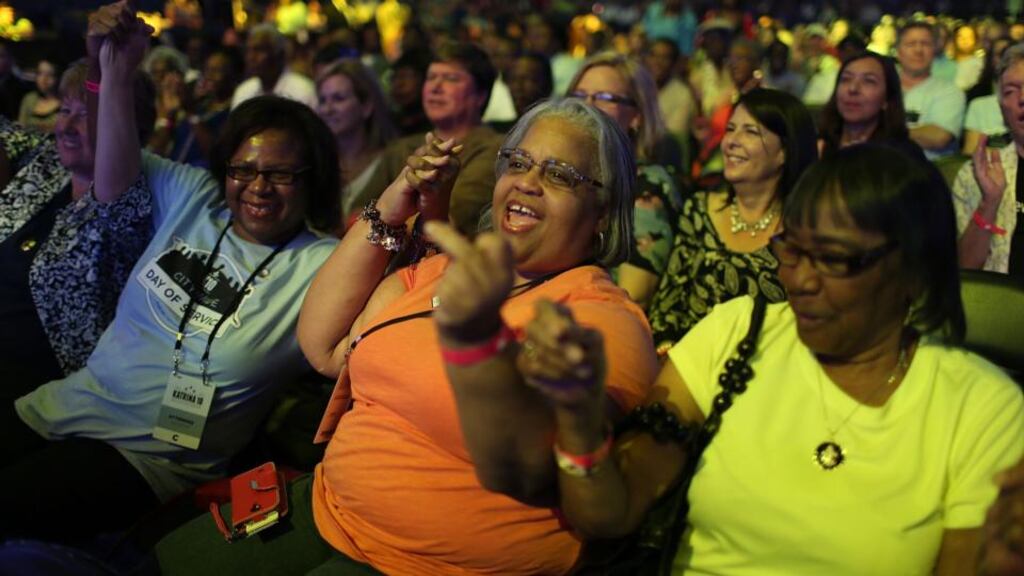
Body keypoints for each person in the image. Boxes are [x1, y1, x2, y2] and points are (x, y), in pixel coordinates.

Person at [154, 97, 658, 575]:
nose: (527, 182)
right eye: (519, 163)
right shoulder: (445, 270)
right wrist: (398, 199)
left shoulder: (602, 321)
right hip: (323, 506)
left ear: (602, 216)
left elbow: (531, 470)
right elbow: (324, 345)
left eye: (560, 175)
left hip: (424, 562)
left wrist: (479, 344)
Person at [513, 143, 1024, 574]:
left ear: (913, 271)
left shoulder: (980, 408)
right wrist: (579, 423)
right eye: (792, 250)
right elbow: (611, 513)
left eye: (833, 259)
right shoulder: (739, 333)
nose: (799, 279)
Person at [1, 8, 339, 541]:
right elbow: (107, 150)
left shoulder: (320, 262)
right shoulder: (194, 198)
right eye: (243, 169)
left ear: (312, 180)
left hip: (147, 460)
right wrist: (108, 66)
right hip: (65, 404)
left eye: (280, 174)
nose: (258, 187)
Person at [0, 53, 155, 392]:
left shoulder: (127, 204)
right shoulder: (49, 166)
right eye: (65, 110)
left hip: (40, 388)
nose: (66, 126)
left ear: (128, 126)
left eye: (86, 115)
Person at [647, 88, 818, 353]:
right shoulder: (700, 209)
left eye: (750, 132)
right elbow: (668, 305)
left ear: (784, 152)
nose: (731, 142)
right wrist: (669, 352)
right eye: (730, 129)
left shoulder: (805, 229)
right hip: (685, 364)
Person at [566, 52, 683, 307]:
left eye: (604, 98)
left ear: (637, 115)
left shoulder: (647, 185)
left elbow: (633, 296)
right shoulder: (565, 174)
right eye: (578, 95)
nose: (586, 105)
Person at [358, 42, 504, 236]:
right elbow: (357, 213)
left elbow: (445, 219)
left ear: (480, 95)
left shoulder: (495, 149)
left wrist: (380, 219)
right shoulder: (402, 147)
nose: (435, 87)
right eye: (431, 77)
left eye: (451, 79)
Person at [953, 43, 1024, 277]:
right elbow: (965, 272)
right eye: (1010, 91)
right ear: (1001, 108)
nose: (1022, 98)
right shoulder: (975, 175)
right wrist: (990, 202)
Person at [315, 58, 398, 227]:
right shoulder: (316, 162)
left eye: (338, 99)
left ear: (366, 106)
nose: (327, 109)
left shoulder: (392, 160)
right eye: (323, 100)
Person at [818, 51, 917, 157]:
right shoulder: (816, 147)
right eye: (846, 79)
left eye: (868, 81)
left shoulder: (903, 154)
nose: (853, 89)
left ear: (887, 99)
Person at [897, 21, 966, 160]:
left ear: (934, 50)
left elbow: (939, 137)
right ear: (898, 51)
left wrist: (883, 130)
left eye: (925, 44)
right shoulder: (881, 85)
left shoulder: (950, 91)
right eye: (911, 44)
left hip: (928, 173)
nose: (918, 50)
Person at [231, 23, 318, 110]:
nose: (251, 57)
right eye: (248, 50)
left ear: (279, 54)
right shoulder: (243, 92)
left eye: (259, 50)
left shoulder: (302, 90)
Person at [16, 59, 60, 133]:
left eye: (50, 75)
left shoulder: (67, 103)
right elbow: (20, 128)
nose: (43, 79)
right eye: (40, 73)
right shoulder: (30, 99)